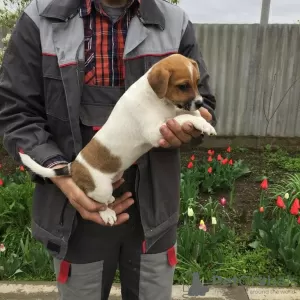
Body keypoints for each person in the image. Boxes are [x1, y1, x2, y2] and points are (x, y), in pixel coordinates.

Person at [0, 0, 217, 299]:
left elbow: (202, 105)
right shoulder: (40, 18)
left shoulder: (174, 21)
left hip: (153, 215)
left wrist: (189, 131)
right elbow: (15, 113)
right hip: (75, 210)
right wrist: (64, 176)